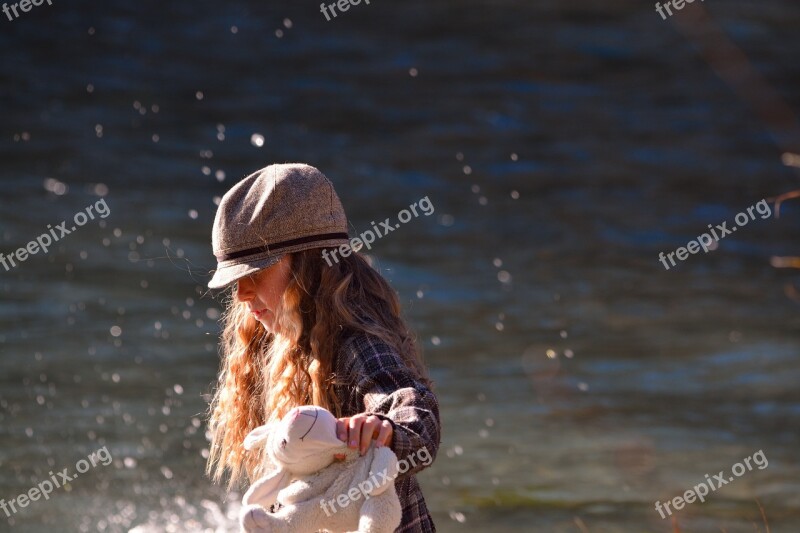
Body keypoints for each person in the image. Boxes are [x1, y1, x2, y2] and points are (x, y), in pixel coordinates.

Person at [205, 163, 441, 532]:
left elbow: (412, 404)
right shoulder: (281, 335)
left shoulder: (355, 341)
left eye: (254, 274)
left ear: (308, 265)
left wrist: (384, 427)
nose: (241, 293)